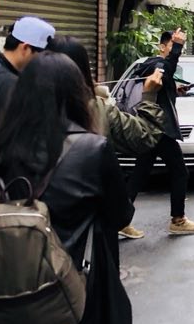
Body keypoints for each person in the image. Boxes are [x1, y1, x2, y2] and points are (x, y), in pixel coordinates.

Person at [0, 52, 134, 324]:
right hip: (71, 299)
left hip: (3, 297)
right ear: (76, 95)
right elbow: (120, 216)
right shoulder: (93, 149)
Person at [47, 37, 166, 240]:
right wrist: (149, 96)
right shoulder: (97, 110)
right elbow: (144, 136)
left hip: (33, 238)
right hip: (88, 238)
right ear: (83, 71)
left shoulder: (18, 110)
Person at [126, 29, 194, 236]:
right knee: (179, 172)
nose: (176, 50)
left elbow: (161, 84)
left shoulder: (156, 65)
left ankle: (119, 220)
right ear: (162, 47)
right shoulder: (159, 64)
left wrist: (175, 89)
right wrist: (177, 47)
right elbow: (165, 70)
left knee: (139, 175)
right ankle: (178, 219)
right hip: (160, 128)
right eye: (171, 45)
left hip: (153, 127)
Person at [0, 15, 55, 202]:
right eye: (39, 55)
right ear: (25, 48)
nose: (41, 62)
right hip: (1, 185)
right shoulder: (9, 82)